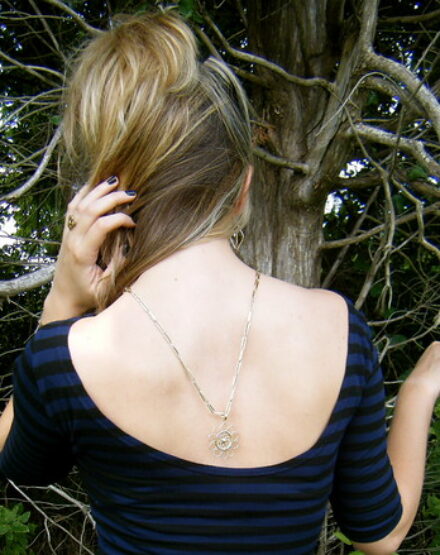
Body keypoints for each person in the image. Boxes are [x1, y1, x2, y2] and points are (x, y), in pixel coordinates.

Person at [0, 10, 439, 555]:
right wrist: (420, 390)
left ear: (110, 197)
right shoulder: (340, 332)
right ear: (242, 186)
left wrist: (61, 304)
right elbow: (382, 536)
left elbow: (14, 460)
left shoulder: (66, 356)